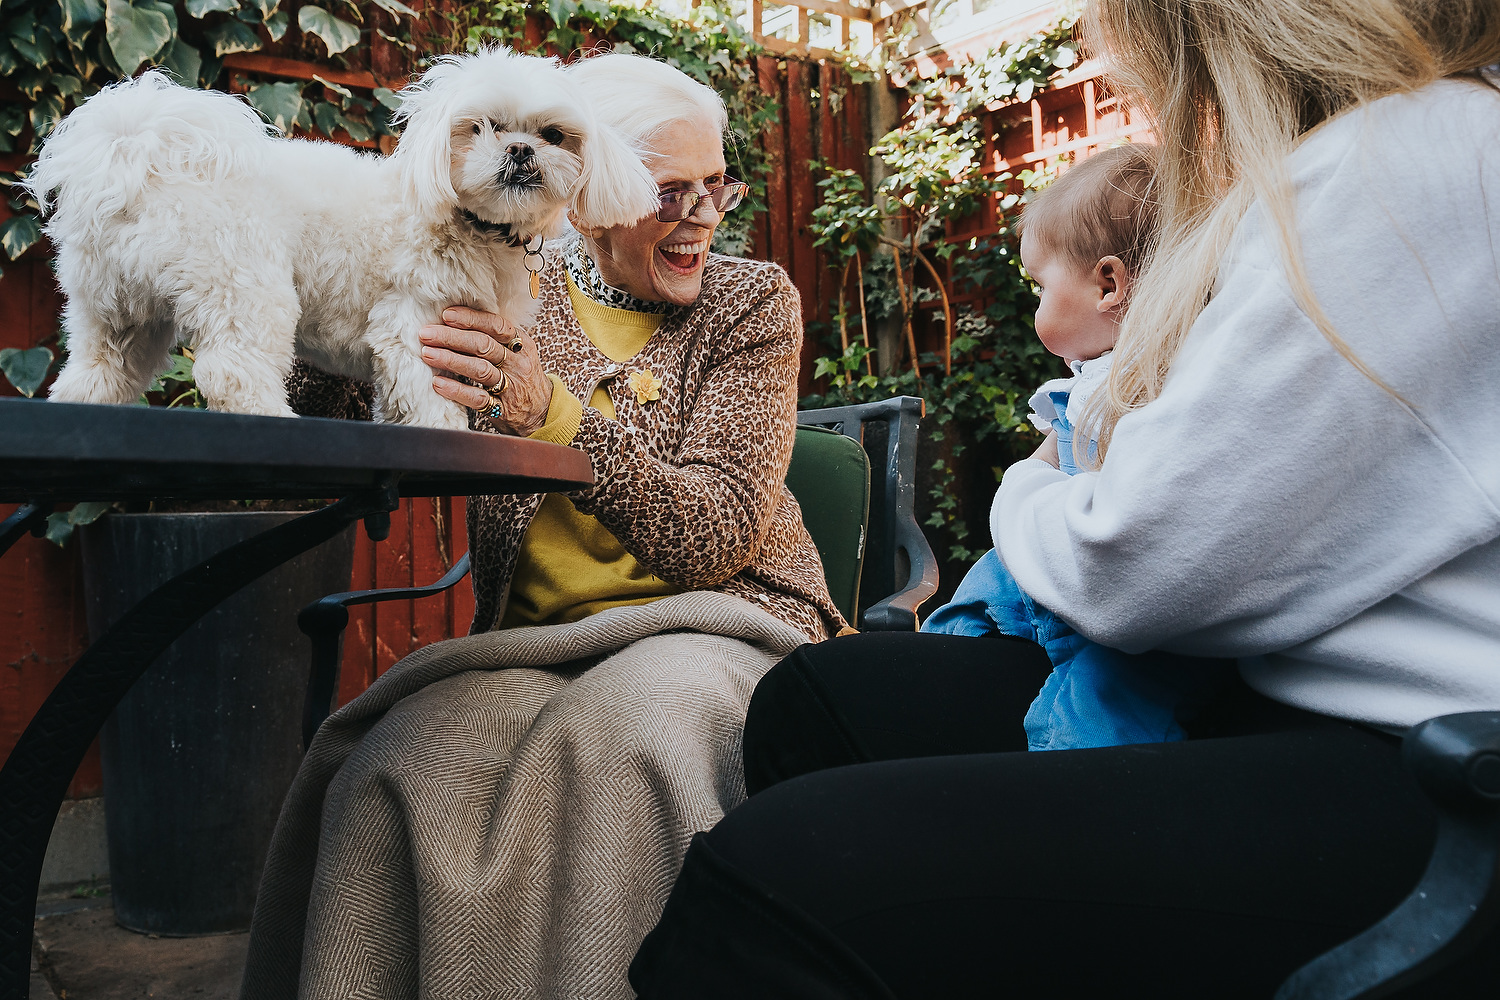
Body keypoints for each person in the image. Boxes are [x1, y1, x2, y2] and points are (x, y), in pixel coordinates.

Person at [628, 1, 1500, 997]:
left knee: (778, 876)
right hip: (1298, 694)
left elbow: (1136, 564)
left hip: (1436, 766)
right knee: (819, 694)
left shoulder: (1412, 154)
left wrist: (1027, 485)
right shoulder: (1412, 148)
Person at [241, 53, 847, 1000]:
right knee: (401, 756)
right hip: (539, 642)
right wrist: (332, 290)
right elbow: (338, 405)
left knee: (628, 737)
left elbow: (719, 532)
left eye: (717, 186)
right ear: (597, 190)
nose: (703, 216)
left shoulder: (750, 303)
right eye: (670, 191)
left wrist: (552, 413)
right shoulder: (496, 275)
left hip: (723, 621)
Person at [925, 143, 1233, 751]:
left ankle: (1068, 787)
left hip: (1114, 607)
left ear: (1108, 284)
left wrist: (1028, 477)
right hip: (1059, 578)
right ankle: (945, 670)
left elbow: (1121, 515)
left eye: (1040, 287)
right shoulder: (1109, 374)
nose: (1036, 305)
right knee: (976, 599)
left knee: (1090, 716)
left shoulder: (1144, 382)